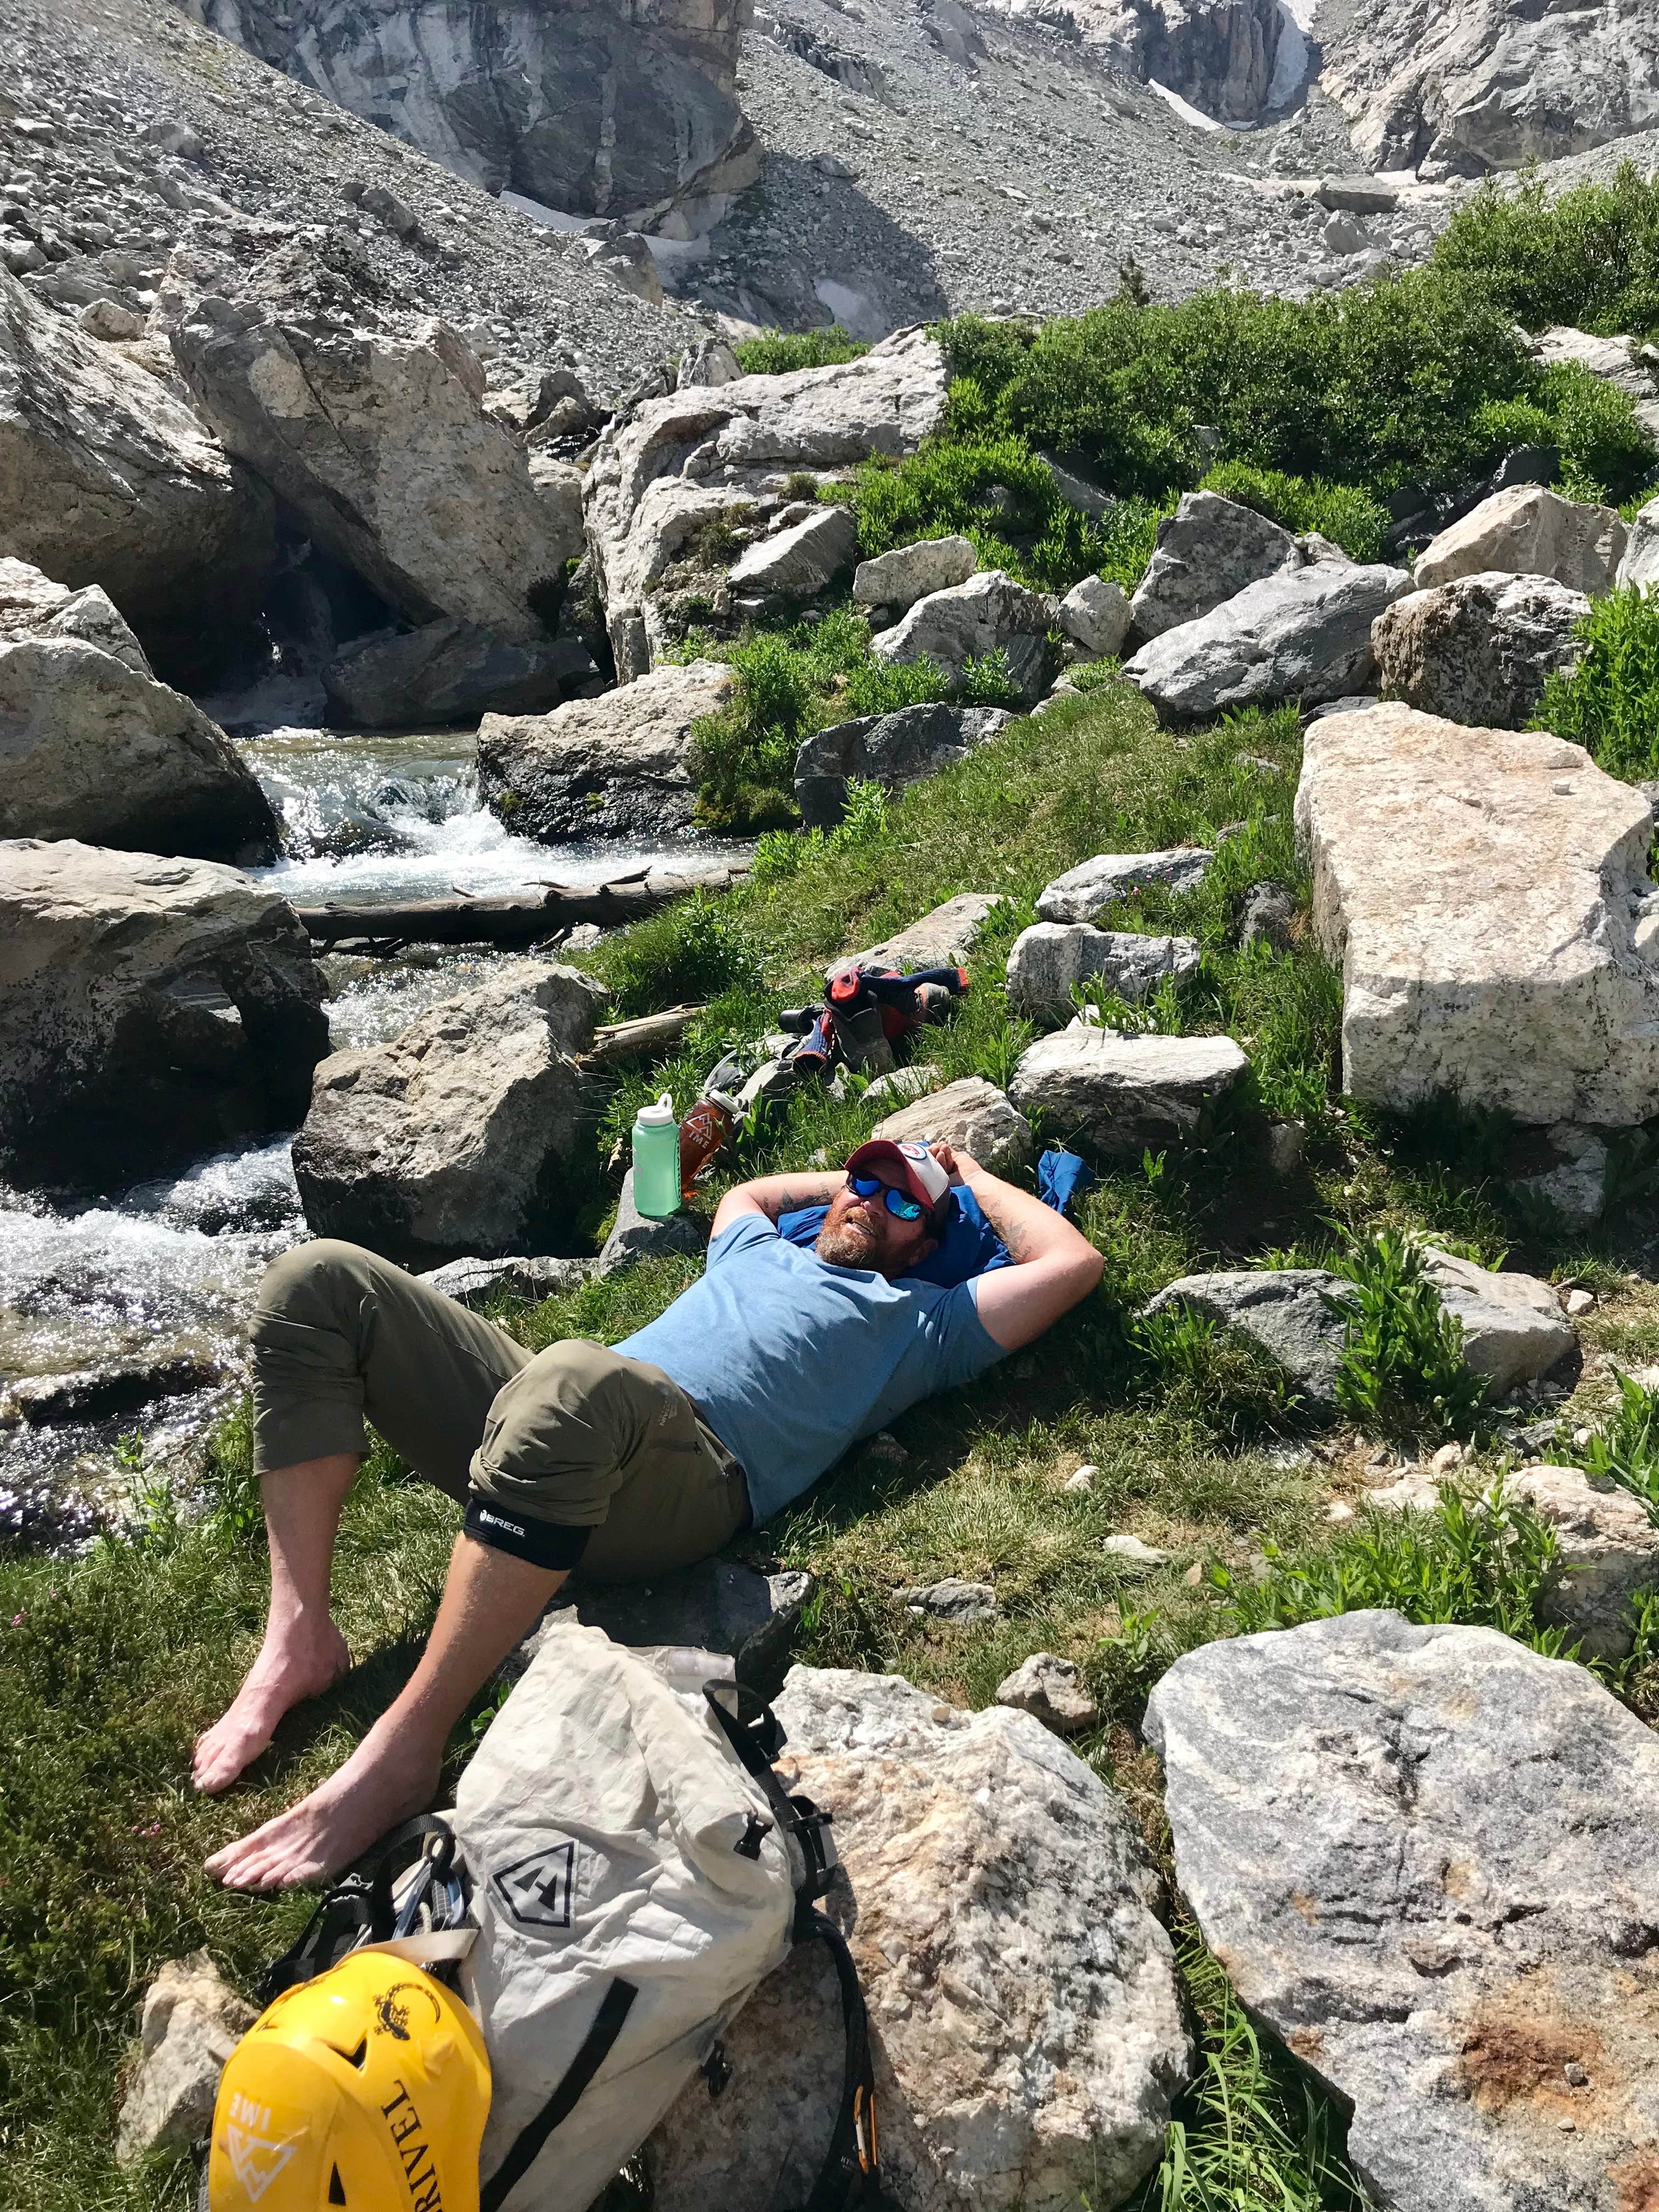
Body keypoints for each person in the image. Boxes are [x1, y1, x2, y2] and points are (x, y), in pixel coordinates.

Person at [199, 1135, 1103, 1891]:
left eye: (901, 1205)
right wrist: (864, 1180)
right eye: (862, 1184)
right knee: (317, 1281)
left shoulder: (924, 1323)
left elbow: (1072, 1263)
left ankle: (408, 1745)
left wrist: (974, 1181)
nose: (869, 1202)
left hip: (684, 1475)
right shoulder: (755, 1247)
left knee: (576, 1376)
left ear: (928, 1242)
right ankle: (301, 1634)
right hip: (563, 1412)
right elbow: (750, 1190)